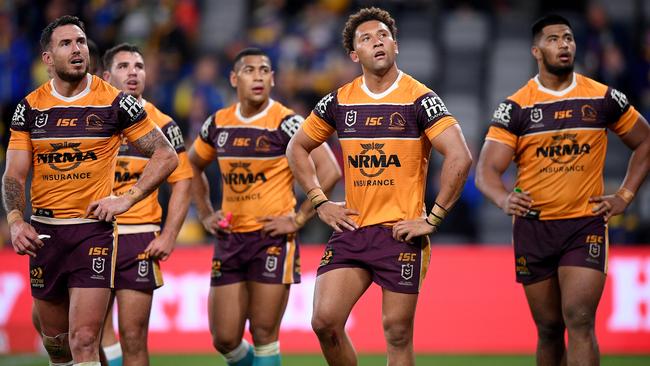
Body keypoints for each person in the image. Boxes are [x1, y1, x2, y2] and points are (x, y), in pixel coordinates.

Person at [286, 7, 472, 366]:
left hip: (401, 232)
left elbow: (460, 157)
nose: (377, 42)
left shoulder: (420, 98)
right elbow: (297, 147)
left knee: (397, 333)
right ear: (355, 55)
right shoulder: (340, 100)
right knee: (324, 322)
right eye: (367, 38)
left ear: (396, 45)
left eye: (383, 35)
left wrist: (433, 219)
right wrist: (319, 202)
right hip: (353, 227)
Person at [2, 15, 178, 365]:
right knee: (58, 346)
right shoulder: (29, 108)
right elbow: (14, 175)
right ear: (48, 59)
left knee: (84, 340)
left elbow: (165, 154)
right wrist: (16, 220)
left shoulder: (115, 102)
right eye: (66, 43)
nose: (77, 49)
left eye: (81, 42)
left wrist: (127, 198)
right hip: (45, 235)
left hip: (92, 233)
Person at [475, 14, 650, 366]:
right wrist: (504, 197)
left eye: (568, 38)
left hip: (584, 225)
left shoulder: (602, 98)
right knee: (550, 329)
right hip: (533, 228)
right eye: (554, 39)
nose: (564, 45)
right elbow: (486, 171)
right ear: (537, 51)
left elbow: (645, 142)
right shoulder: (516, 107)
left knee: (581, 319)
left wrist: (625, 196)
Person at [189, 47, 341, 366]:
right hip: (230, 238)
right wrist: (203, 212)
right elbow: (191, 165)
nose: (258, 76)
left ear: (272, 79)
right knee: (225, 339)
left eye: (264, 70)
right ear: (234, 78)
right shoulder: (218, 124)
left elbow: (329, 170)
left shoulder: (287, 123)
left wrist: (298, 218)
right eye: (249, 70)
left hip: (271, 240)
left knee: (263, 333)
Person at [98, 43, 193, 366]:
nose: (133, 72)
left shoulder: (163, 124)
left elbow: (183, 181)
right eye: (124, 66)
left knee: (134, 336)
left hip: (138, 235)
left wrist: (168, 235)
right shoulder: (91, 118)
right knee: (85, 332)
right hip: (91, 233)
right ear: (107, 76)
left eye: (138, 66)